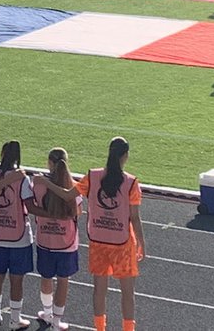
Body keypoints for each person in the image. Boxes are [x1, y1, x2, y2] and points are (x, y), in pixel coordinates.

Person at [47, 138, 146, 331]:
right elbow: (135, 218)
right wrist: (142, 242)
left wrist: (46, 183)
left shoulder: (93, 176)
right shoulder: (131, 182)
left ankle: (100, 328)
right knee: (127, 293)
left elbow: (68, 194)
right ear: (125, 156)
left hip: (99, 242)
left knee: (99, 290)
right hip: (123, 244)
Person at [0, 141, 33, 331]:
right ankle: (15, 320)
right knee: (17, 280)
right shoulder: (22, 179)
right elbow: (30, 205)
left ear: (2, 153)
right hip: (19, 237)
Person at [30, 148, 81, 331]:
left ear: (49, 163)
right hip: (66, 242)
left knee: (46, 277)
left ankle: (47, 313)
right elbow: (78, 213)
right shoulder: (74, 185)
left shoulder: (38, 184)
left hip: (45, 239)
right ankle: (57, 321)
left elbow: (33, 205)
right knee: (63, 280)